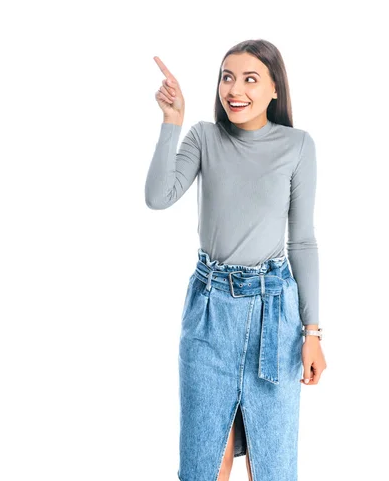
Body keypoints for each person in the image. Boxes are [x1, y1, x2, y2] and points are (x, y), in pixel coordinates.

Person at [144, 39, 327, 481]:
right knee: (204, 465)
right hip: (209, 315)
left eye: (250, 78)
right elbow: (157, 197)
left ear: (274, 89)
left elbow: (301, 241)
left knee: (273, 467)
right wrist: (172, 122)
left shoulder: (298, 146)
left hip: (273, 318)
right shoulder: (205, 137)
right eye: (227, 77)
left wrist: (313, 332)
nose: (235, 89)